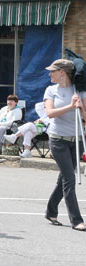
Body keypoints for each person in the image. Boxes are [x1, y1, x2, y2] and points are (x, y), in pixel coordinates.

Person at [42, 59, 86, 231]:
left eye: (52, 71)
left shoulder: (80, 91)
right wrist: (69, 106)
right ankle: (76, 220)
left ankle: (50, 210)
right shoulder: (51, 90)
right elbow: (51, 113)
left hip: (77, 140)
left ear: (62, 73)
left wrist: (81, 108)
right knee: (69, 179)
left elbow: (85, 118)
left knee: (64, 179)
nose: (49, 74)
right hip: (58, 140)